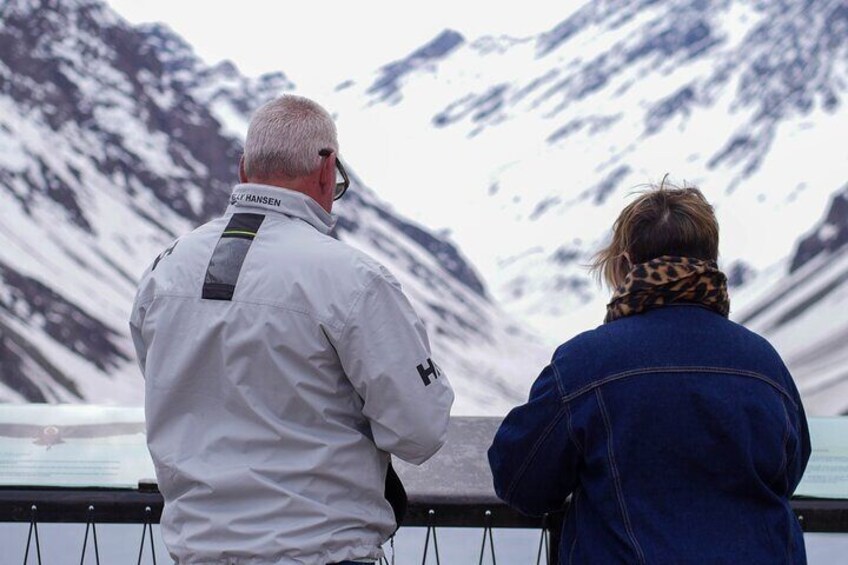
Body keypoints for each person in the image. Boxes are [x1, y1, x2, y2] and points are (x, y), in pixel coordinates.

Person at [130, 94, 454, 565]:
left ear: (244, 169)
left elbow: (166, 381)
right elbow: (420, 431)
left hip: (196, 551)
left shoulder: (166, 269)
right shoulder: (352, 279)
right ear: (328, 170)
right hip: (319, 550)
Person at [488, 183, 811, 564]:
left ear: (625, 265)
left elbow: (521, 481)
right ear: (711, 264)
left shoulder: (584, 363)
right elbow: (789, 471)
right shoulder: (765, 364)